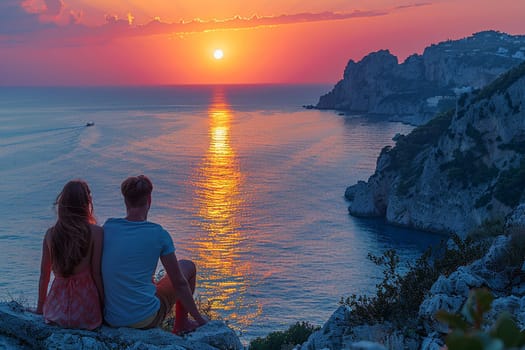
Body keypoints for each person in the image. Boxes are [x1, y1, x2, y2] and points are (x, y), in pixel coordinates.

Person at [101, 175, 207, 333]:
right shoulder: (158, 234)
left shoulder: (108, 228)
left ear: (125, 200)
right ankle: (182, 324)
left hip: (111, 317)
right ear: (149, 200)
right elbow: (179, 282)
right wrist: (201, 320)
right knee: (187, 266)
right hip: (144, 319)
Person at [36, 180, 104, 330]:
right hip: (86, 312)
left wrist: (40, 309)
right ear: (87, 203)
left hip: (56, 311)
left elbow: (44, 276)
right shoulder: (96, 233)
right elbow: (97, 274)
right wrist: (105, 306)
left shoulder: (51, 234)